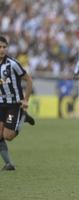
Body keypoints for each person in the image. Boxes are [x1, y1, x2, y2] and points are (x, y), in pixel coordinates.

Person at [0, 36, 35, 171]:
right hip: (0, 103)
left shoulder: (12, 64)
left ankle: (23, 117)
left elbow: (29, 80)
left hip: (14, 104)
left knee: (8, 136)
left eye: (4, 47)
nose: (2, 50)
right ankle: (9, 164)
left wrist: (25, 100)